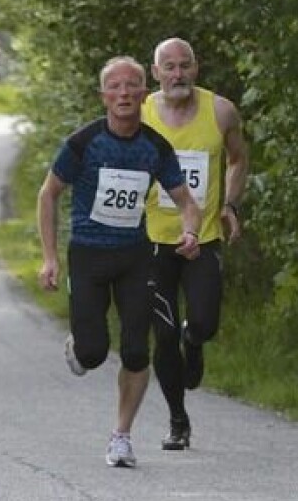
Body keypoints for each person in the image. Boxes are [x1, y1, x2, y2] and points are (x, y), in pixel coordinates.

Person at [37, 56, 202, 467]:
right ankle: (80, 342)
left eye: (132, 86)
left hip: (134, 256)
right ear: (103, 96)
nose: (124, 93)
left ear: (145, 94)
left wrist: (191, 232)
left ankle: (121, 436)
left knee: (135, 351)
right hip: (89, 255)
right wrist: (50, 258)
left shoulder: (155, 147)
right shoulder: (83, 142)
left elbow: (186, 201)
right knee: (93, 354)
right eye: (115, 86)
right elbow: (48, 194)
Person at [142, 38, 249, 451]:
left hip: (204, 237)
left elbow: (239, 159)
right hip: (155, 240)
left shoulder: (220, 110)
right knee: (161, 336)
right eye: (168, 67)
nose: (177, 74)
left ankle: (195, 339)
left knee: (203, 322)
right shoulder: (143, 112)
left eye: (184, 65)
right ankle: (177, 419)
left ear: (196, 68)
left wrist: (230, 204)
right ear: (156, 74)